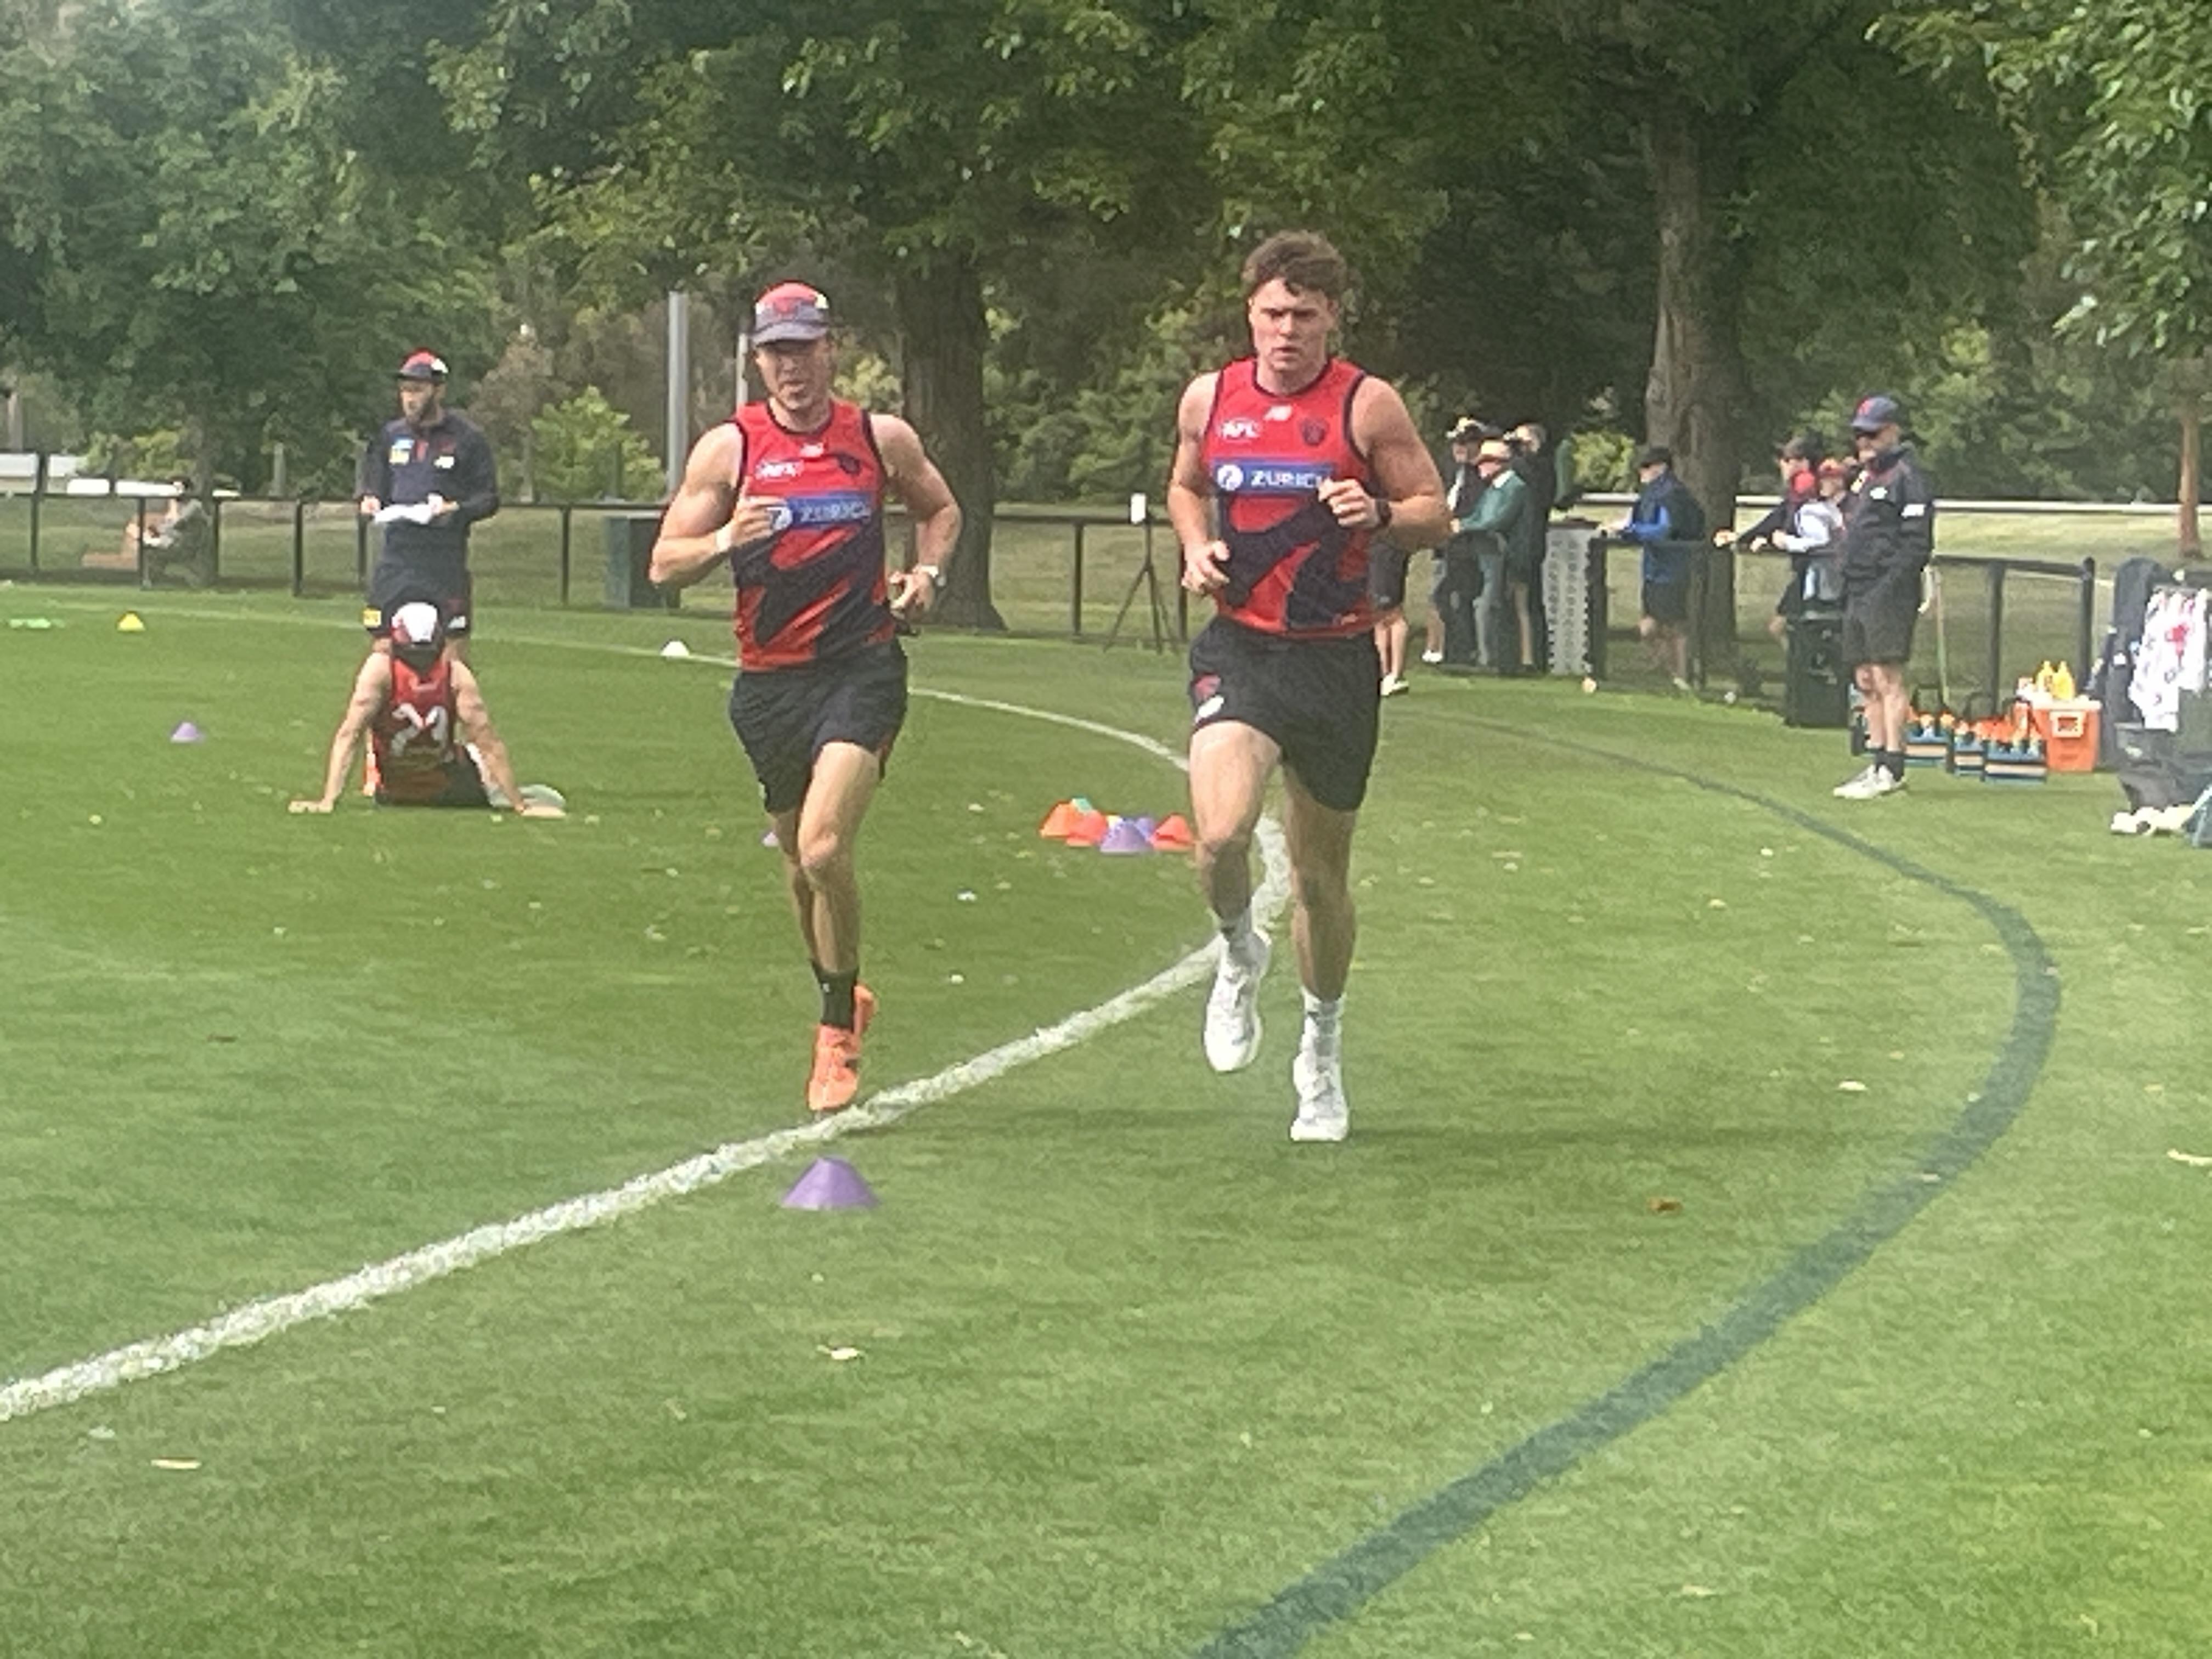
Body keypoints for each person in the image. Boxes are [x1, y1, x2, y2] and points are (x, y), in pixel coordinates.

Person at [648, 280, 962, 1115]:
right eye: (776, 352)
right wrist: (725, 537)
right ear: (759, 361)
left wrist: (928, 574)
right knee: (798, 869)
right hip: (768, 685)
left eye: (805, 349)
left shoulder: (877, 438)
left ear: (832, 350)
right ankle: (842, 989)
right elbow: (663, 564)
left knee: (824, 849)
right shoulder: (731, 450)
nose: (792, 367)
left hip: (862, 669)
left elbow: (940, 509)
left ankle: (835, 1030)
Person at [1169, 229, 1449, 1143]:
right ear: (1249, 313)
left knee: (1320, 883)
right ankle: (1237, 950)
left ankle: (1319, 1054)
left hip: (1334, 661)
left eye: (1303, 315)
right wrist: (1195, 546)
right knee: (1218, 836)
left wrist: (1380, 511)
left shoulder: (1367, 405)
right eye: (1271, 314)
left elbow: (1435, 513)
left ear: (1331, 317)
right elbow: (1185, 486)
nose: (1285, 331)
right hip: (1242, 648)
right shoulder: (1211, 398)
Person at [289, 597, 562, 816]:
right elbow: (487, 741)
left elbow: (350, 734)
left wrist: (328, 800)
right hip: (447, 787)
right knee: (547, 796)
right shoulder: (455, 674)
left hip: (395, 792)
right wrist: (519, 806)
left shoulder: (380, 670)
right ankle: (498, 792)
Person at [357, 351, 499, 657]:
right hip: (397, 558)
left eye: (418, 390)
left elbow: (488, 498)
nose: (409, 398)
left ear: (439, 390)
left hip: (443, 560)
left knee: (451, 651)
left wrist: (454, 510)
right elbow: (375, 486)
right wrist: (370, 501)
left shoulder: (467, 439)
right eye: (405, 390)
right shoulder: (390, 436)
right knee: (383, 646)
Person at [1831, 394, 1936, 800]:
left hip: (1887, 590)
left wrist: (1890, 584)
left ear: (1893, 431)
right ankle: (1876, 761)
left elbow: (1916, 543)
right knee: (1865, 679)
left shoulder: (1908, 478)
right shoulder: (1865, 478)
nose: (1865, 443)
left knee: (1887, 676)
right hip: (1857, 588)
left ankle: (1893, 766)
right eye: (1860, 435)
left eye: (1873, 434)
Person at [1612, 443, 1707, 689]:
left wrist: (1632, 531)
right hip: (1654, 569)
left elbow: (1664, 530)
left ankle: (1681, 676)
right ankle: (1670, 673)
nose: (1641, 472)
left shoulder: (1671, 494)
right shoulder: (1652, 494)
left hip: (1671, 569)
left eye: (1646, 467)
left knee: (1672, 625)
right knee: (1655, 625)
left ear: (1661, 468)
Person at [1459, 437, 1533, 672]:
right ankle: (1487, 656)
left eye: (1485, 461)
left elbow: (1497, 521)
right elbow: (1479, 516)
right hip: (1487, 554)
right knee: (1484, 604)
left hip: (1506, 557)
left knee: (1490, 605)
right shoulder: (1493, 489)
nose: (1480, 467)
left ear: (1500, 463)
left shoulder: (1515, 488)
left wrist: (1463, 527)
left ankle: (1492, 659)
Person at [1425, 417, 1488, 669]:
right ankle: (1448, 650)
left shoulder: (1480, 476)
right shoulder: (1451, 472)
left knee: (1460, 597)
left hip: (1469, 547)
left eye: (1465, 443)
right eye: (1456, 443)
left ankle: (1464, 651)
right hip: (1445, 547)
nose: (1459, 448)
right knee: (1442, 597)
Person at [1766, 455, 1849, 639]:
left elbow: (1822, 541)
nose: (1826, 483)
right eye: (1824, 478)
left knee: (1824, 632)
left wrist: (1788, 542)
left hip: (1833, 578)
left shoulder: (1850, 506)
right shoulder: (1817, 507)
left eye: (1833, 477)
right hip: (1810, 575)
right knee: (1787, 628)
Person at [1370, 529, 1413, 695]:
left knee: (1393, 615)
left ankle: (1395, 674)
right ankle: (1385, 672)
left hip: (1387, 550)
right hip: (1381, 549)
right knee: (1379, 618)